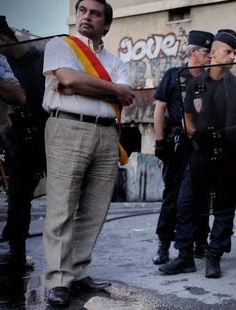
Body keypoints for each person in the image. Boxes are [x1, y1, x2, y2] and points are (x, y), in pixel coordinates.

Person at [41, 0, 135, 307]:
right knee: (62, 207)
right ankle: (57, 278)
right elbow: (68, 79)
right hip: (68, 127)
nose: (86, 17)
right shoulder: (61, 45)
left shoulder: (114, 59)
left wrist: (84, 86)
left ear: (105, 25)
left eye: (95, 14)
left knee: (95, 209)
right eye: (82, 11)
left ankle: (78, 273)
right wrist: (108, 89)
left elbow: (126, 94)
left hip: (107, 133)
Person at [183, 29, 236, 279]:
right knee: (194, 205)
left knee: (224, 210)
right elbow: (188, 117)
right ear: (213, 53)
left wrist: (227, 133)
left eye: (235, 52)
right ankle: (192, 251)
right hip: (199, 155)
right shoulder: (195, 83)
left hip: (227, 157)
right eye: (228, 51)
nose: (233, 56)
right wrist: (195, 134)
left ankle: (214, 256)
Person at [151, 30, 214, 265]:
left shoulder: (210, 79)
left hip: (202, 143)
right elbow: (160, 108)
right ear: (193, 52)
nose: (209, 56)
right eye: (206, 52)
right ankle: (164, 243)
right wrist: (159, 141)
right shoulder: (174, 75)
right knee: (173, 194)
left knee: (202, 194)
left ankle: (200, 242)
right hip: (178, 142)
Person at [0, 15, 47, 272]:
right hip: (16, 140)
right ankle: (16, 253)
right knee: (18, 197)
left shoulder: (41, 57)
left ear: (3, 39)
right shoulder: (4, 65)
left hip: (48, 135)